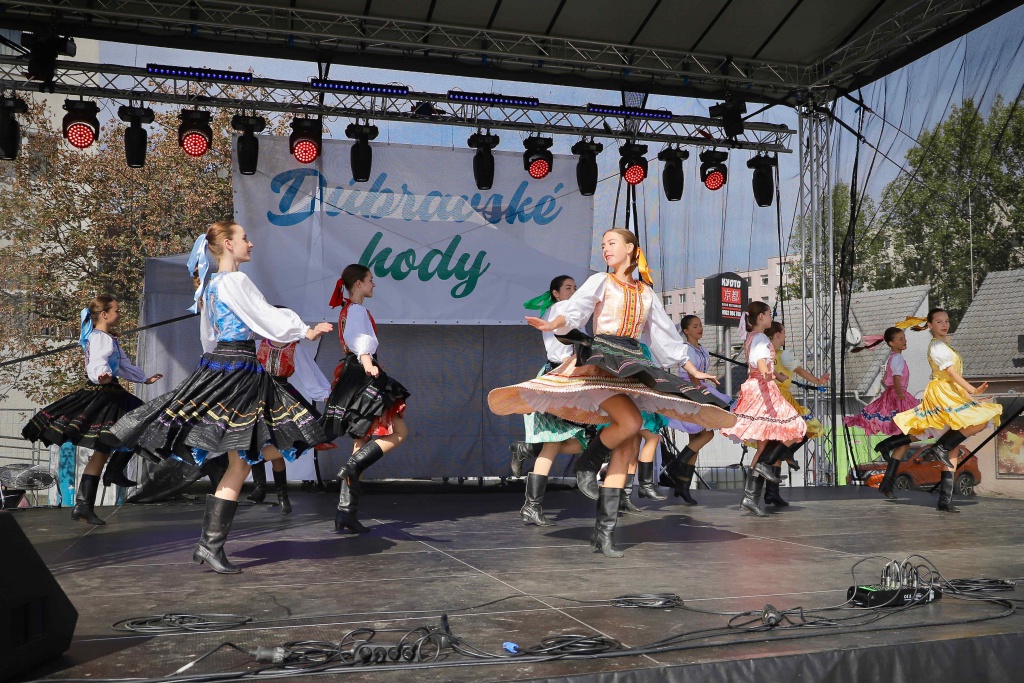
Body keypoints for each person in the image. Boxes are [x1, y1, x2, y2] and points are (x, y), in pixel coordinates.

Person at [489, 228, 733, 557]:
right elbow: (575, 311)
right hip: (601, 361)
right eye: (603, 245)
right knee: (631, 423)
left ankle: (604, 533)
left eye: (612, 243)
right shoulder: (601, 282)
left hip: (632, 363)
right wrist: (552, 324)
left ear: (631, 248)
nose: (605, 249)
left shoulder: (646, 293)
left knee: (627, 445)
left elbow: (664, 336)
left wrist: (691, 369)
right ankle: (586, 464)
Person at [112, 221, 332, 573]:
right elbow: (265, 317)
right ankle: (209, 544)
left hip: (223, 364)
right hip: (238, 369)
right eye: (245, 238)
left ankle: (209, 544)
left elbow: (210, 336)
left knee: (243, 459)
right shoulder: (234, 281)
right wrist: (305, 330)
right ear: (228, 244)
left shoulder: (212, 285)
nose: (250, 243)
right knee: (259, 449)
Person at [22, 296, 163, 525]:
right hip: (103, 392)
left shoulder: (107, 338)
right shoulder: (100, 338)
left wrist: (144, 378)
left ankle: (85, 503)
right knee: (135, 426)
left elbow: (123, 365)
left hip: (110, 390)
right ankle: (109, 476)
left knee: (111, 443)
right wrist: (101, 376)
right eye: (116, 310)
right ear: (104, 314)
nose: (119, 314)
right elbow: (96, 363)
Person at [321, 264, 410, 534]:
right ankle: (350, 469)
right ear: (358, 284)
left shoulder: (347, 309)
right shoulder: (356, 310)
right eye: (370, 280)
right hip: (362, 372)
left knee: (361, 441)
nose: (373, 284)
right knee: (399, 432)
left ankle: (345, 513)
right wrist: (368, 361)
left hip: (353, 372)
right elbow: (357, 339)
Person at [892, 308, 1001, 513]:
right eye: (939, 321)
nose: (944, 325)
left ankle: (944, 499)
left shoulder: (945, 346)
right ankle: (940, 447)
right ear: (930, 325)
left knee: (954, 447)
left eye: (947, 321)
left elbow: (955, 380)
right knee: (981, 420)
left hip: (952, 392)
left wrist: (972, 398)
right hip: (942, 393)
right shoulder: (936, 346)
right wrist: (973, 389)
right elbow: (951, 373)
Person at [511, 275, 593, 527]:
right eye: (568, 288)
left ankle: (527, 451)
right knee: (559, 441)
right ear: (556, 293)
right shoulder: (562, 308)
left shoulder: (561, 309)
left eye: (575, 288)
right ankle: (531, 505)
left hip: (566, 377)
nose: (573, 291)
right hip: (559, 378)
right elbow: (565, 329)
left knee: (573, 443)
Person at [720, 302, 807, 517]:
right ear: (760, 317)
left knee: (763, 445)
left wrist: (776, 374)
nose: (771, 318)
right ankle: (764, 466)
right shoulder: (760, 338)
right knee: (795, 427)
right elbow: (759, 360)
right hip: (762, 390)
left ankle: (750, 498)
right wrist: (768, 374)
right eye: (769, 314)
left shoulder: (752, 337)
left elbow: (760, 362)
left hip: (758, 387)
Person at [248, 337, 332, 513]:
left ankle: (282, 495)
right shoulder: (257, 345)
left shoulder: (295, 349)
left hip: (281, 397)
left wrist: (325, 395)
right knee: (254, 439)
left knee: (277, 443)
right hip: (257, 395)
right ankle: (259, 487)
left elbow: (309, 375)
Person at [844, 326, 921, 499]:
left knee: (904, 444)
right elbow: (895, 378)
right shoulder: (897, 358)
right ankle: (886, 445)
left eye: (904, 338)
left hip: (896, 394)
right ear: (891, 343)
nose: (904, 341)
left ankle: (887, 484)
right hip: (899, 396)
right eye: (900, 339)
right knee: (918, 430)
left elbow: (889, 380)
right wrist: (900, 395)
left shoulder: (895, 357)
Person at [663, 315, 732, 505]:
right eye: (694, 326)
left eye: (700, 325)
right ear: (686, 331)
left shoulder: (702, 349)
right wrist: (702, 394)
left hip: (699, 388)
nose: (699, 328)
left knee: (695, 440)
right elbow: (691, 375)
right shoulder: (685, 349)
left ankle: (683, 485)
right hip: (691, 391)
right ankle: (678, 464)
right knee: (706, 434)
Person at [763, 321, 829, 506]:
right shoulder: (783, 354)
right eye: (783, 333)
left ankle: (771, 492)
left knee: (776, 442)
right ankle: (788, 452)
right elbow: (799, 370)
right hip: (781, 398)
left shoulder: (763, 354)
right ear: (777, 335)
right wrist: (817, 380)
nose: (785, 337)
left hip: (767, 399)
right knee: (809, 427)